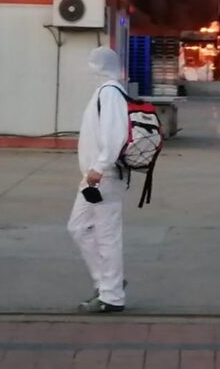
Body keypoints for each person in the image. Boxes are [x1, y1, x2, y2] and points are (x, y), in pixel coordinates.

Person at [68, 46, 129, 314]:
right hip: (93, 176)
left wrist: (101, 166)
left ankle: (112, 295)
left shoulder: (111, 92)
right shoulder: (105, 91)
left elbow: (115, 135)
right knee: (78, 227)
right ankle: (107, 281)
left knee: (106, 235)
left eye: (93, 64)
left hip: (102, 176)